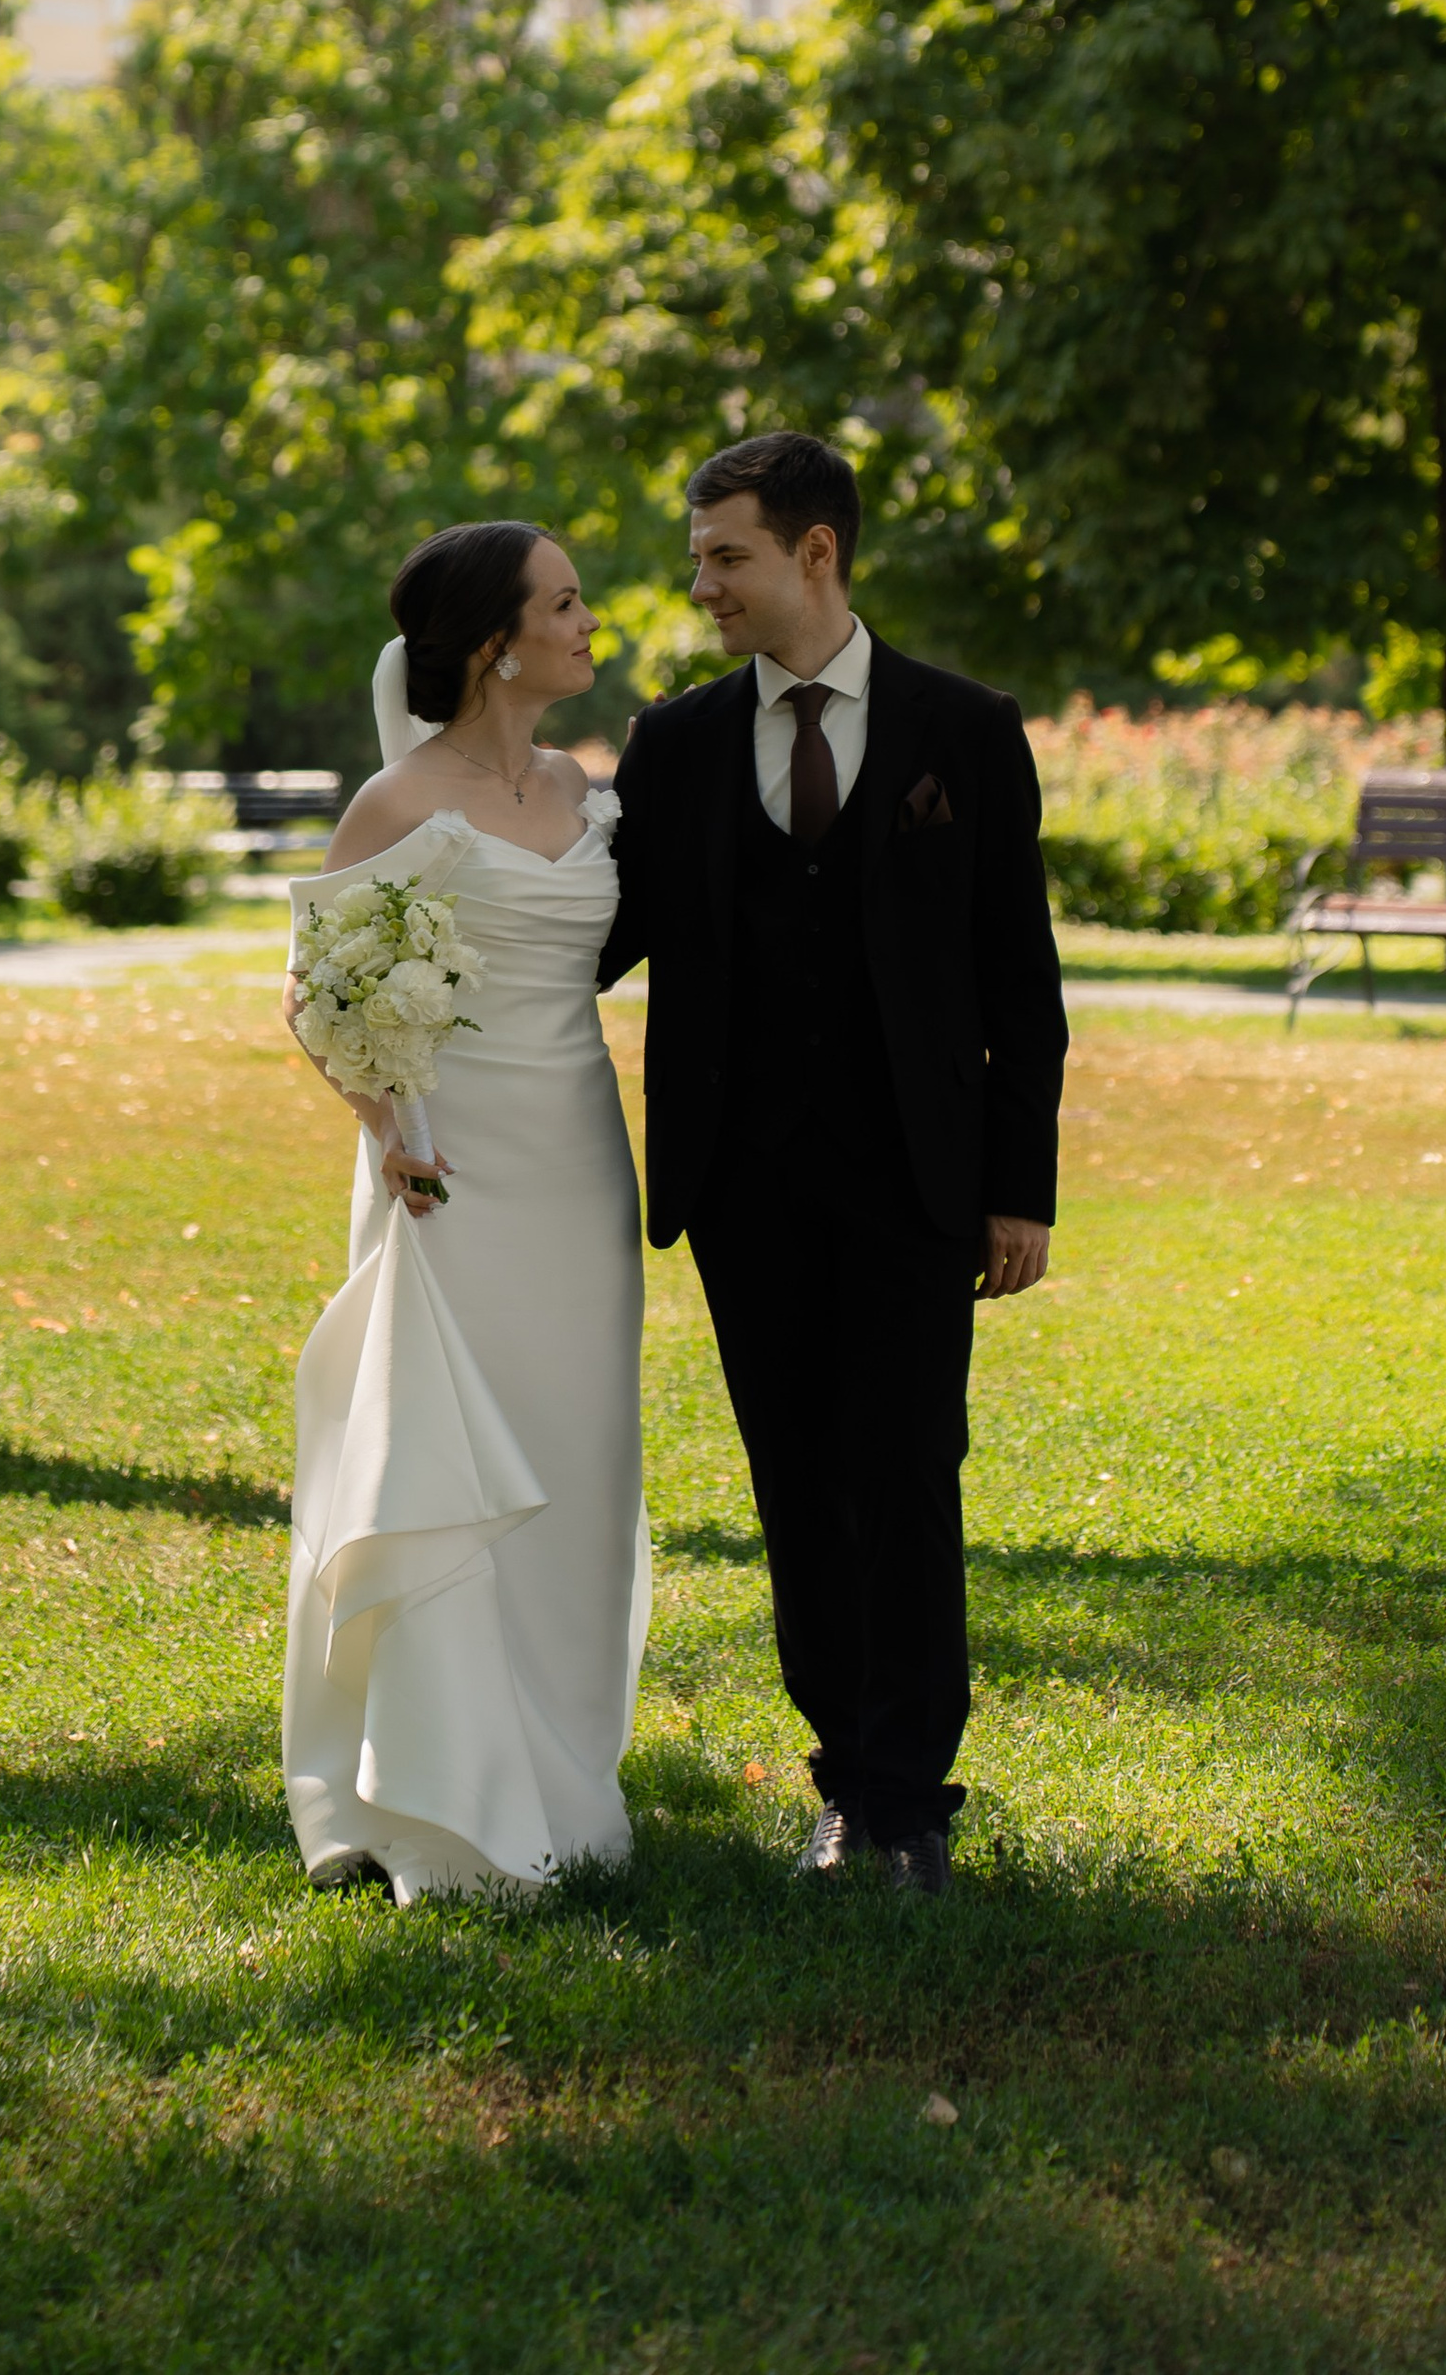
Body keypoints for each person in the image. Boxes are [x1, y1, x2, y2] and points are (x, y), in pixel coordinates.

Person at [600, 431, 1066, 1895]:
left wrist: (1019, 1188)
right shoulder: (672, 745)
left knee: (910, 1470)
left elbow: (1018, 983)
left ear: (817, 552)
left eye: (727, 555)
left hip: (917, 1183)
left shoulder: (965, 731)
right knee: (797, 1478)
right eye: (697, 559)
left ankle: (912, 1799)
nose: (703, 586)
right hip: (743, 1183)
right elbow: (589, 942)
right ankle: (843, 1787)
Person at [278, 521, 648, 1903]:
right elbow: (318, 997)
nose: (587, 621)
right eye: (564, 603)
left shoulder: (594, 793)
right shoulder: (399, 803)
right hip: (456, 1180)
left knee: (577, 1466)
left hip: (581, 1175)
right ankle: (445, 1793)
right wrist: (390, 1129)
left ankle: (565, 1773)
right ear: (498, 640)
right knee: (451, 1463)